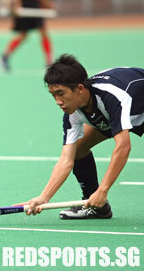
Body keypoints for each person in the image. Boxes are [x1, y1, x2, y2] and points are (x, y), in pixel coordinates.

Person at [17, 54, 144, 219]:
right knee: (78, 149)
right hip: (116, 114)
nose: (57, 101)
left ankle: (98, 195)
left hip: (135, 105)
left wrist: (103, 190)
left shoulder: (112, 96)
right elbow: (66, 160)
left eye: (60, 93)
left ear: (79, 89)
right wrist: (44, 197)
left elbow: (123, 147)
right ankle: (96, 205)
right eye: (53, 95)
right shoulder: (72, 112)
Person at [0, 0, 54, 71]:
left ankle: (49, 62)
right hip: (24, 3)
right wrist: (18, 4)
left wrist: (45, 1)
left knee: (43, 32)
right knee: (23, 34)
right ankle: (5, 56)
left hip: (34, 3)